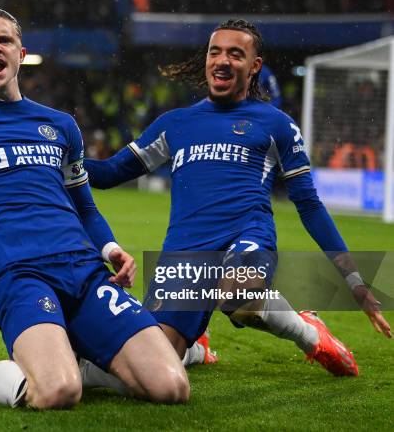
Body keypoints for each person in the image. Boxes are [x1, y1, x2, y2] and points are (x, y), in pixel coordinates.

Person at [0, 7, 189, 410]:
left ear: (22, 53)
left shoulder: (60, 125)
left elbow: (85, 208)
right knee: (57, 392)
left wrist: (110, 249)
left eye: (4, 39)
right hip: (20, 274)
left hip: (85, 271)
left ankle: (72, 358)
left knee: (171, 387)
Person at [85, 19, 391, 377]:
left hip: (246, 236)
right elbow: (107, 175)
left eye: (235, 53)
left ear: (254, 66)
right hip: (185, 253)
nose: (223, 61)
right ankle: (196, 347)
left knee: (238, 295)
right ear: (207, 60)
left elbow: (309, 204)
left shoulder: (275, 124)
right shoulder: (175, 124)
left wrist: (354, 282)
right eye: (215, 52)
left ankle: (311, 335)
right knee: (152, 366)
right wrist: (54, 158)